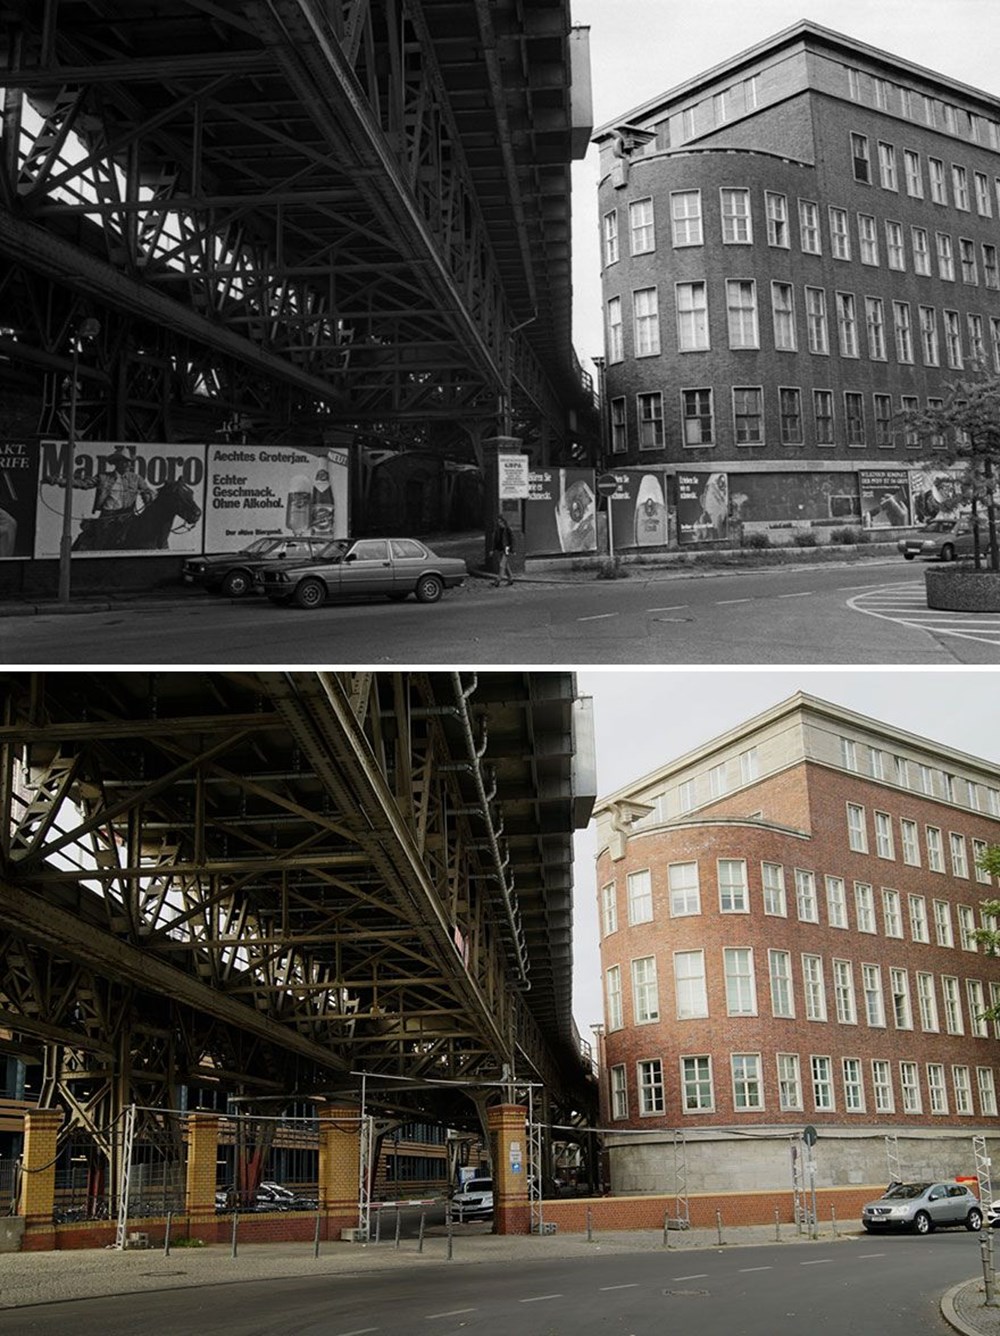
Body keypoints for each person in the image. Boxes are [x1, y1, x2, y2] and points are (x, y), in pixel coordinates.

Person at [51, 447, 156, 549]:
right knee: (101, 541)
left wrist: (148, 499)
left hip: (127, 516)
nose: (128, 464)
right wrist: (59, 481)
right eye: (124, 461)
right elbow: (83, 483)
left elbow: (146, 491)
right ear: (117, 463)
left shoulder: (136, 478)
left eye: (129, 461)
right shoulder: (103, 477)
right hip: (108, 516)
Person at [492, 514, 514, 586]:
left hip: (506, 549)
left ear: (504, 522)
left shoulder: (508, 529)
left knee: (502, 564)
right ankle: (510, 578)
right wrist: (493, 549)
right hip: (500, 549)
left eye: (500, 522)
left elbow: (512, 540)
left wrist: (512, 549)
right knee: (505, 565)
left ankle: (498, 580)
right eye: (498, 522)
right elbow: (496, 541)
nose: (499, 523)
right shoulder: (498, 530)